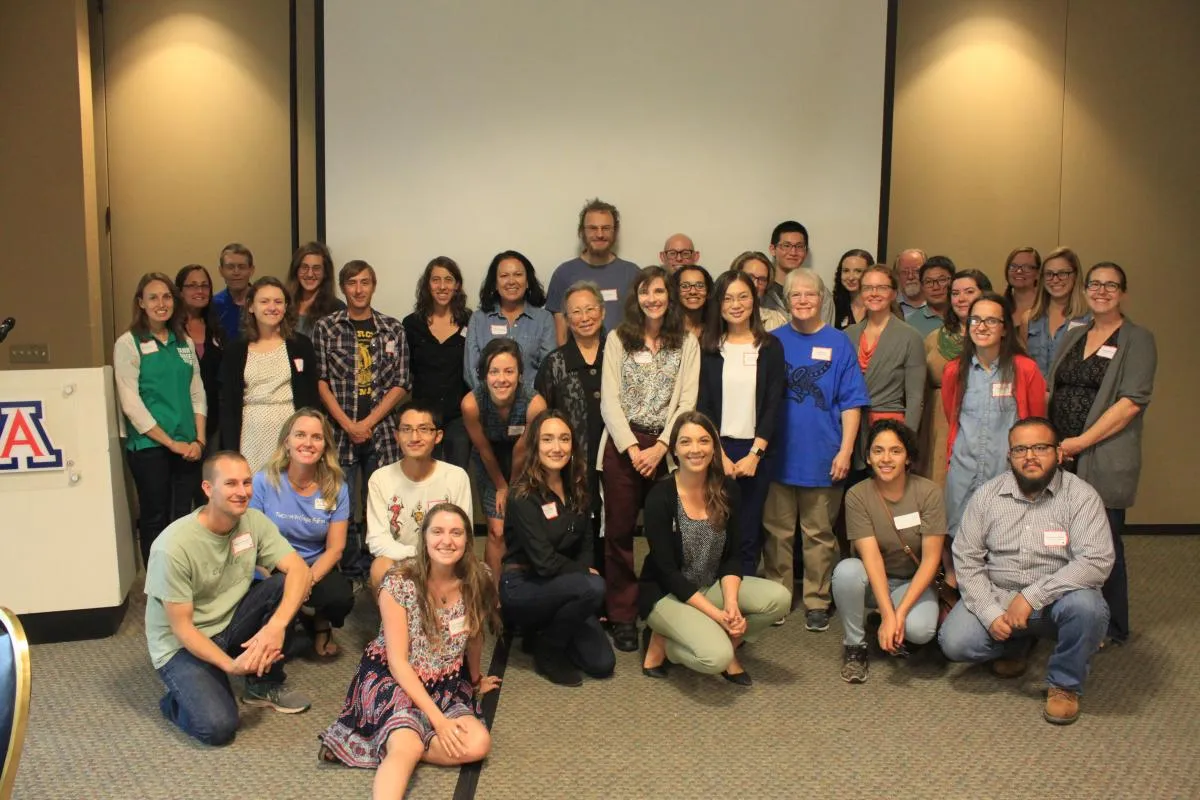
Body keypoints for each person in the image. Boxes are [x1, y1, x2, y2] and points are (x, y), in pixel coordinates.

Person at [938, 418, 1114, 725]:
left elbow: (1096, 561)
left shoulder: (1082, 497)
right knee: (955, 642)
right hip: (1000, 597)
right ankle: (1017, 642)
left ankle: (1064, 684)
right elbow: (967, 559)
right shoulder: (987, 496)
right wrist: (991, 613)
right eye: (1020, 449)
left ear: (1059, 453)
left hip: (1057, 602)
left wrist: (1033, 596)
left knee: (1088, 609)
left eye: (1040, 447)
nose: (1029, 456)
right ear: (1009, 457)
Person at [317, 504, 501, 796]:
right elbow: (398, 663)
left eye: (456, 532)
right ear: (424, 538)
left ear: (467, 539)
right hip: (393, 680)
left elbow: (474, 636)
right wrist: (439, 722)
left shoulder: (478, 578)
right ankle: (404, 741)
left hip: (444, 683)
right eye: (438, 531)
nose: (447, 540)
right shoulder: (399, 583)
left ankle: (391, 737)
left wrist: (475, 681)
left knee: (479, 743)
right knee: (407, 747)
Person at [145, 451, 313, 746]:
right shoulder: (172, 547)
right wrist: (229, 666)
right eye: (231, 484)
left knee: (284, 585)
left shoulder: (253, 521)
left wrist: (277, 626)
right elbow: (182, 629)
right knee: (218, 728)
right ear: (208, 489)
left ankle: (262, 685)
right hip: (182, 644)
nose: (242, 492)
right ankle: (176, 701)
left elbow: (299, 570)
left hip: (229, 621)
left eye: (247, 482)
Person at [1048, 262, 1156, 647]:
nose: (1102, 291)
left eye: (1111, 285)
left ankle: (1111, 624)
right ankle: (1071, 616)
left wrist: (1081, 441)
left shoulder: (1138, 339)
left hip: (1102, 454)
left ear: (1123, 292)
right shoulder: (1075, 334)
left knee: (1103, 540)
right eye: (1095, 284)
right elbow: (1055, 386)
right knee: (1061, 540)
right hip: (1062, 454)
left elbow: (1131, 403)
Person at [639, 411, 790, 684]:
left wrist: (731, 605)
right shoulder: (659, 497)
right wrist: (719, 618)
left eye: (704, 441)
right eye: (685, 442)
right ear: (674, 449)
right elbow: (668, 573)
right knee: (715, 658)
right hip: (667, 594)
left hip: (710, 586)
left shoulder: (728, 490)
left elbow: (733, 557)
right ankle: (663, 641)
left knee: (779, 598)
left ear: (714, 447)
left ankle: (705, 635)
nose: (695, 449)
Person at [761, 269, 870, 631]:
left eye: (810, 294)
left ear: (821, 297)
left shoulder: (839, 344)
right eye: (795, 295)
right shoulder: (772, 341)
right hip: (777, 457)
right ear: (787, 300)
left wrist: (845, 451)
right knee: (777, 533)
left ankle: (816, 599)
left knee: (819, 534)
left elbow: (852, 403)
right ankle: (777, 595)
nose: (803, 301)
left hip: (824, 455)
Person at [599, 265, 700, 651]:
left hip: (667, 447)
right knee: (620, 534)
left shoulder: (685, 342)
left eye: (659, 291)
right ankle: (622, 615)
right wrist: (633, 448)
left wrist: (660, 446)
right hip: (624, 446)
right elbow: (609, 400)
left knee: (668, 534)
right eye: (645, 292)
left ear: (669, 297)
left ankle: (660, 606)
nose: (652, 299)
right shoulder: (618, 339)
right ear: (635, 298)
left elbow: (687, 401)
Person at [500, 410, 614, 686]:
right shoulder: (522, 495)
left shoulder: (578, 485)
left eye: (564, 439)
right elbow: (543, 562)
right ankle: (547, 650)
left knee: (602, 664)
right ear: (535, 445)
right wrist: (586, 575)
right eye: (548, 439)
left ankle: (542, 631)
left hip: (564, 584)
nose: (557, 447)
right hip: (524, 585)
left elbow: (586, 541)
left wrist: (584, 572)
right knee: (595, 587)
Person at [313, 260, 411, 577]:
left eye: (365, 282)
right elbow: (321, 381)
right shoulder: (326, 328)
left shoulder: (392, 328)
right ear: (343, 287)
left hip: (381, 432)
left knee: (381, 501)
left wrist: (367, 423)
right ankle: (350, 567)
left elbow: (401, 383)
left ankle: (377, 564)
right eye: (352, 283)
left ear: (373, 285)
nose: (358, 289)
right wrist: (349, 424)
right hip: (340, 431)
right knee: (341, 501)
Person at [832, 420, 946, 683]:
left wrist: (900, 613)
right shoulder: (857, 495)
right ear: (869, 458)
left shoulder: (928, 492)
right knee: (846, 571)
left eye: (895, 451)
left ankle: (891, 622)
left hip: (913, 581)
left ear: (908, 458)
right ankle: (855, 646)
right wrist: (887, 612)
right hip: (873, 579)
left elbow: (931, 560)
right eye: (878, 451)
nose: (886, 458)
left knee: (921, 631)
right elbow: (870, 557)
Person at [115, 272, 207, 567]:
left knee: (184, 517)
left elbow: (197, 393)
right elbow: (131, 403)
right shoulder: (129, 343)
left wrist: (199, 440)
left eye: (167, 296)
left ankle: (182, 581)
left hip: (188, 446)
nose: (161, 303)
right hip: (150, 447)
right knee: (155, 518)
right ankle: (158, 588)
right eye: (153, 297)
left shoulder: (184, 343)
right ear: (141, 303)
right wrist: (170, 443)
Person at [697, 270, 785, 576]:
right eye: (728, 297)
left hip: (756, 451)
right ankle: (715, 592)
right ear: (718, 304)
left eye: (743, 296)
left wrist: (755, 454)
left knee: (748, 528)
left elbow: (774, 404)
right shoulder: (708, 347)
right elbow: (703, 405)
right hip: (717, 450)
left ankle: (744, 595)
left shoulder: (770, 346)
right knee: (715, 525)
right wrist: (718, 455)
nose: (736, 304)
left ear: (755, 299)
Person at [943, 292, 1046, 542]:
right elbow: (952, 416)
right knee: (961, 539)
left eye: (991, 321)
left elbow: (1037, 423)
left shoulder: (1025, 370)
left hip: (1007, 473)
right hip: (963, 471)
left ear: (1004, 329)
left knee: (1006, 541)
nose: (982, 326)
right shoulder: (955, 370)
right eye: (975, 320)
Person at [250, 408, 353, 658]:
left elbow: (335, 549)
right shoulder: (263, 481)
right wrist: (287, 577)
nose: (308, 443)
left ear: (324, 446)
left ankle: (320, 621)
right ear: (287, 441)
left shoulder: (337, 487)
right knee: (273, 647)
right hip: (273, 565)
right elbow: (253, 538)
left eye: (316, 437)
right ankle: (292, 613)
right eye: (300, 435)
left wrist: (305, 580)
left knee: (340, 597)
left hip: (312, 567)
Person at [535, 281, 607, 573]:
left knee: (612, 528)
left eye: (590, 309)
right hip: (570, 463)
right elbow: (543, 418)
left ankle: (613, 601)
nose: (584, 316)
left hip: (614, 460)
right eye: (576, 311)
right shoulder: (555, 363)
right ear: (566, 319)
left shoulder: (618, 356)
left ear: (602, 313)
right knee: (575, 526)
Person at [463, 338, 547, 582]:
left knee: (527, 525)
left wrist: (511, 489)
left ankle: (528, 588)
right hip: (490, 462)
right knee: (497, 530)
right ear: (484, 375)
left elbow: (523, 449)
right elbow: (482, 448)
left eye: (509, 371)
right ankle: (494, 598)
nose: (502, 379)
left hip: (527, 462)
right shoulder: (471, 404)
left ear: (520, 374)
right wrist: (500, 486)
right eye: (494, 371)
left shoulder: (535, 404)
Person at [366, 402, 474, 591]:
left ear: (438, 436)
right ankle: (394, 620)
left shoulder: (456, 476)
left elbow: (463, 533)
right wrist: (415, 557)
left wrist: (433, 559)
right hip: (400, 560)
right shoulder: (380, 479)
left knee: (474, 570)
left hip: (443, 559)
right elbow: (377, 540)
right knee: (379, 567)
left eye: (424, 429)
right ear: (396, 436)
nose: (414, 437)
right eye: (406, 429)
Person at [220, 277, 320, 474]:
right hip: (250, 432)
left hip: (291, 431)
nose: (272, 307)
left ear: (285, 307)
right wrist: (231, 451)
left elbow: (311, 398)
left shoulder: (301, 345)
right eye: (264, 301)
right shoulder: (236, 350)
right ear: (251, 307)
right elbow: (229, 405)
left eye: (278, 302)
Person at [920, 269, 993, 486]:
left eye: (969, 292)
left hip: (982, 424)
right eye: (955, 293)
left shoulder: (997, 337)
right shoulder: (934, 338)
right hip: (939, 424)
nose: (961, 299)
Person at [403, 256, 473, 470]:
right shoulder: (411, 324)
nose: (442, 286)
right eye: (436, 280)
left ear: (457, 285)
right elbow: (407, 371)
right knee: (421, 476)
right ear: (427, 284)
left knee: (456, 476)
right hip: (422, 418)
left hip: (458, 418)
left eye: (448, 280)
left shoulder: (471, 321)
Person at [546, 198, 642, 345]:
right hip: (579, 364)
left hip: (624, 361)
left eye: (606, 228)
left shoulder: (633, 273)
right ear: (581, 232)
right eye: (592, 228)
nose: (599, 234)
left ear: (615, 232)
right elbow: (561, 337)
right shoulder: (563, 274)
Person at [845, 265, 926, 435]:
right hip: (850, 425)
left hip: (890, 428)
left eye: (882, 287)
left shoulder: (910, 337)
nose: (874, 293)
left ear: (894, 293)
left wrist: (906, 440)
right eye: (867, 288)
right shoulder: (847, 335)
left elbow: (915, 398)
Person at [464, 250, 555, 394]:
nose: (511, 281)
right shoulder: (478, 319)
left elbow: (548, 369)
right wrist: (491, 399)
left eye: (518, 275)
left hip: (531, 405)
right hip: (486, 405)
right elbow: (471, 370)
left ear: (527, 282)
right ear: (495, 283)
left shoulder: (544, 319)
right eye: (504, 276)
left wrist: (525, 400)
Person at [175, 263, 223, 460]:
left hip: (213, 422)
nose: (200, 291)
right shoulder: (171, 332)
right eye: (192, 286)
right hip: (180, 422)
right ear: (179, 291)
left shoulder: (216, 329)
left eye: (204, 286)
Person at [1025, 246, 1090, 379]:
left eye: (1062, 273)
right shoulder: (1029, 318)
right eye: (1049, 274)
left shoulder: (1090, 319)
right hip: (1035, 396)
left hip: (1072, 396)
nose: (1055, 280)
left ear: (1075, 275)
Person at [762, 220, 832, 324]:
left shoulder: (820, 292)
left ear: (806, 251)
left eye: (799, 246)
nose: (793, 252)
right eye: (786, 246)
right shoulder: (762, 289)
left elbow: (825, 333)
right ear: (773, 249)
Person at [286, 241, 346, 338]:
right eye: (304, 267)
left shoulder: (337, 308)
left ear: (325, 273)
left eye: (316, 268)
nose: (310, 274)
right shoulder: (283, 304)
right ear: (296, 270)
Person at [731, 250, 789, 331]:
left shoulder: (778, 321)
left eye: (762, 279)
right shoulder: (718, 317)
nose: (755, 284)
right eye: (749, 277)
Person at [211, 243, 255, 342]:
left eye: (242, 267)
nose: (236, 272)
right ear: (221, 271)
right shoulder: (213, 306)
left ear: (251, 270)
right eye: (230, 267)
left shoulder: (263, 303)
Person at [906, 255, 955, 337]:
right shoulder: (909, 323)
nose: (935, 287)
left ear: (953, 281)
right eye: (928, 282)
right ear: (922, 287)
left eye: (942, 280)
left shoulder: (963, 316)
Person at [831, 248, 873, 330]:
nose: (851, 277)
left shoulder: (880, 306)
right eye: (846, 271)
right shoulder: (834, 306)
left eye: (858, 271)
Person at [672, 263, 712, 339]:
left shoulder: (716, 330)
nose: (693, 292)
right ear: (676, 290)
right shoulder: (666, 330)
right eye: (685, 286)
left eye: (700, 286)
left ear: (708, 290)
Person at [1003, 246, 1041, 326]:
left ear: (1038, 273)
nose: (1019, 271)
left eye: (1026, 267)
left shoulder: (1046, 305)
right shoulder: (999, 306)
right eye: (1013, 266)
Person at [892, 248, 928, 319]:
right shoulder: (889, 305)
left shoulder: (937, 303)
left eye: (916, 271)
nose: (910, 277)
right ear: (897, 276)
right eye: (904, 272)